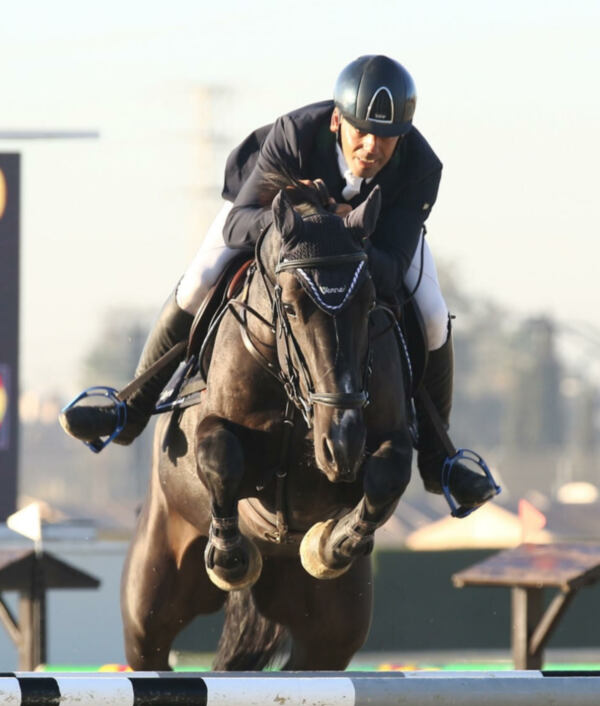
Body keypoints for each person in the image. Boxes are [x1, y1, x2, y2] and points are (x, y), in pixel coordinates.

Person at [61, 54, 496, 508]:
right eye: (361, 132)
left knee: (432, 316)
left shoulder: (421, 169)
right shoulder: (294, 136)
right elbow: (237, 226)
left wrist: (341, 234)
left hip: (367, 243)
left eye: (386, 137)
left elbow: (388, 269)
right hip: (272, 217)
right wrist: (300, 215)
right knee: (199, 280)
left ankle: (438, 459)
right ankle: (129, 411)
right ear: (337, 121)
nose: (372, 147)